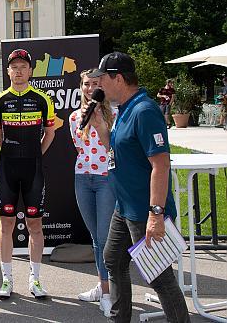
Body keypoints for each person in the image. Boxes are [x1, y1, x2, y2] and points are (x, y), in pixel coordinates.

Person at [86, 52, 189, 323]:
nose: (98, 86)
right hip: (126, 206)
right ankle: (119, 318)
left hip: (144, 210)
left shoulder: (144, 111)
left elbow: (161, 165)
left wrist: (156, 214)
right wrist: (102, 131)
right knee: (113, 260)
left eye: (102, 79)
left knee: (159, 278)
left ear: (117, 78)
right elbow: (120, 154)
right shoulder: (124, 109)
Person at [0, 49, 55, 299]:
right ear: (8, 71)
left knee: (35, 224)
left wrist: (35, 154)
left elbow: (50, 133)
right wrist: (11, 152)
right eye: (14, 67)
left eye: (23, 67)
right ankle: (6, 279)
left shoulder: (42, 100)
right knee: (6, 224)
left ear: (30, 71)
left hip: (33, 169)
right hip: (7, 168)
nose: (18, 71)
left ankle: (35, 279)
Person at [68, 70, 116, 317]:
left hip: (106, 179)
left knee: (105, 237)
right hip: (82, 178)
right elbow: (79, 148)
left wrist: (102, 126)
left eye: (95, 84)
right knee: (96, 239)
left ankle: (108, 294)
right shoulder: (75, 117)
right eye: (86, 84)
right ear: (81, 87)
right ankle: (102, 286)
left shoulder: (115, 114)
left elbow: (114, 150)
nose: (90, 88)